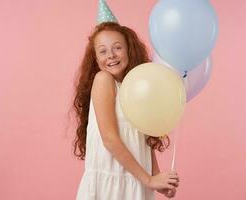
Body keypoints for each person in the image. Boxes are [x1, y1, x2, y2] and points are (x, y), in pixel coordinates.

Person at [72, 21, 179, 200]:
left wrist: (157, 178)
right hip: (112, 184)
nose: (111, 56)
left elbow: (143, 138)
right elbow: (110, 139)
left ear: (129, 49)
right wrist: (149, 180)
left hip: (137, 180)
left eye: (117, 47)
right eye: (103, 51)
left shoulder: (137, 87)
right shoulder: (104, 80)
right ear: (96, 59)